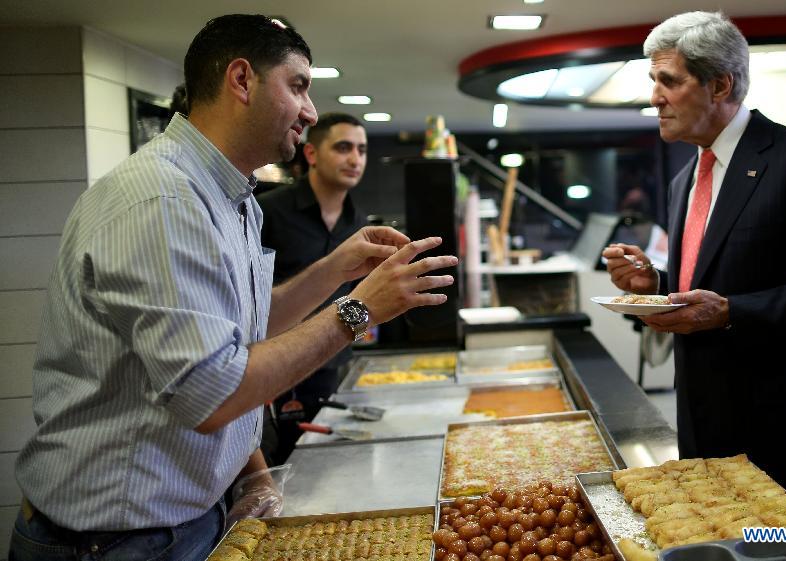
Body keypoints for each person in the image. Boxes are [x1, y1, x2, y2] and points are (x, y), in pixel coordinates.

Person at [10, 14, 456, 561]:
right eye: (298, 86)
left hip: (184, 518)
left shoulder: (231, 196)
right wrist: (358, 309)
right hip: (115, 542)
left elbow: (245, 330)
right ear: (241, 80)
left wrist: (333, 270)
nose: (310, 112)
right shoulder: (163, 200)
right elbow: (213, 391)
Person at [602, 11, 786, 526]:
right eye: (653, 82)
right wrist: (659, 283)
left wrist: (730, 313)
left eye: (669, 81)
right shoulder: (684, 177)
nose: (654, 98)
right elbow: (719, 277)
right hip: (705, 432)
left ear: (720, 84)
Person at [256, 112, 370, 464]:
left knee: (330, 467)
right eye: (343, 148)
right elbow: (251, 300)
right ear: (311, 154)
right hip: (275, 372)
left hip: (336, 364)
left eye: (362, 150)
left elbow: (352, 295)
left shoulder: (357, 220)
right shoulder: (268, 212)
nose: (355, 159)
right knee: (283, 467)